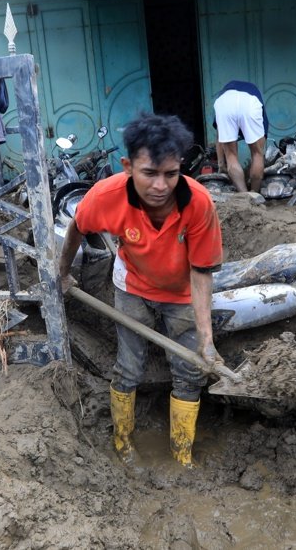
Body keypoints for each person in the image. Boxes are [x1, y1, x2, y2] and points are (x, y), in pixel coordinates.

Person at [57, 113, 224, 468]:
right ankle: (124, 446)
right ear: (127, 166)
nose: (161, 185)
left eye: (170, 174)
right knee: (128, 368)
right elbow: (76, 230)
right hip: (132, 288)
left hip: (181, 295)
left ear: (181, 167)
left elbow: (201, 273)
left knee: (189, 370)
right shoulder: (106, 196)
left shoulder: (198, 203)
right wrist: (62, 274)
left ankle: (182, 456)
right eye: (149, 173)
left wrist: (207, 341)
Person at [212, 80, 268, 193]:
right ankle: (254, 194)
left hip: (225, 103)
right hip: (250, 102)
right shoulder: (254, 93)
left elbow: (219, 136)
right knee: (257, 154)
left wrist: (221, 164)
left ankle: (244, 195)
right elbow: (261, 146)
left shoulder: (223, 95)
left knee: (231, 156)